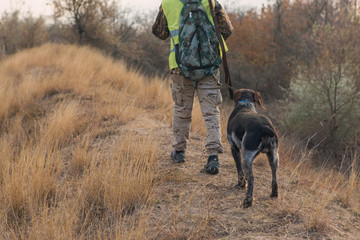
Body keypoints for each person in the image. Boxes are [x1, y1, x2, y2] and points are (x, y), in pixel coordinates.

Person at [152, 0, 233, 174]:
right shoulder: (210, 2)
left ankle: (179, 152)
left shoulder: (168, 3)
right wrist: (206, 48)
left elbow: (159, 32)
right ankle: (213, 157)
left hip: (180, 66)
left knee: (182, 108)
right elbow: (227, 30)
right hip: (210, 67)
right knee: (211, 112)